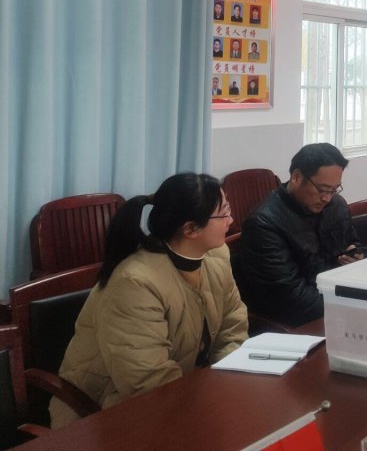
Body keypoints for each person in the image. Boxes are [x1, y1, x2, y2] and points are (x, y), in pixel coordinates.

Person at [50, 174, 247, 428]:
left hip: (185, 397)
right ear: (190, 229)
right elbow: (147, 382)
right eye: (224, 214)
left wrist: (226, 381)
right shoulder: (136, 283)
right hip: (108, 413)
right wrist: (209, 400)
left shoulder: (215, 256)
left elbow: (232, 327)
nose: (232, 220)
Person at [233, 143, 363, 327]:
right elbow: (289, 298)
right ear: (296, 177)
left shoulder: (336, 205)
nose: (327, 198)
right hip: (294, 321)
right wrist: (350, 302)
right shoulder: (264, 224)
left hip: (336, 303)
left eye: (334, 190)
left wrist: (356, 257)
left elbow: (352, 242)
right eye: (322, 189)